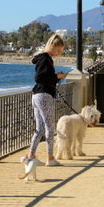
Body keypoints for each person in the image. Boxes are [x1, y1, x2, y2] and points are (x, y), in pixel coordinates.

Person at [28, 34, 68, 166]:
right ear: (52, 45)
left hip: (36, 95)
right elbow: (40, 77)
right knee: (50, 128)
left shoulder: (43, 58)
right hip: (44, 95)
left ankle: (31, 156)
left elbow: (43, 77)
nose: (59, 53)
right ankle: (50, 158)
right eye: (58, 50)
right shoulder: (46, 59)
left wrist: (56, 77)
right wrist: (56, 76)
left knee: (39, 128)